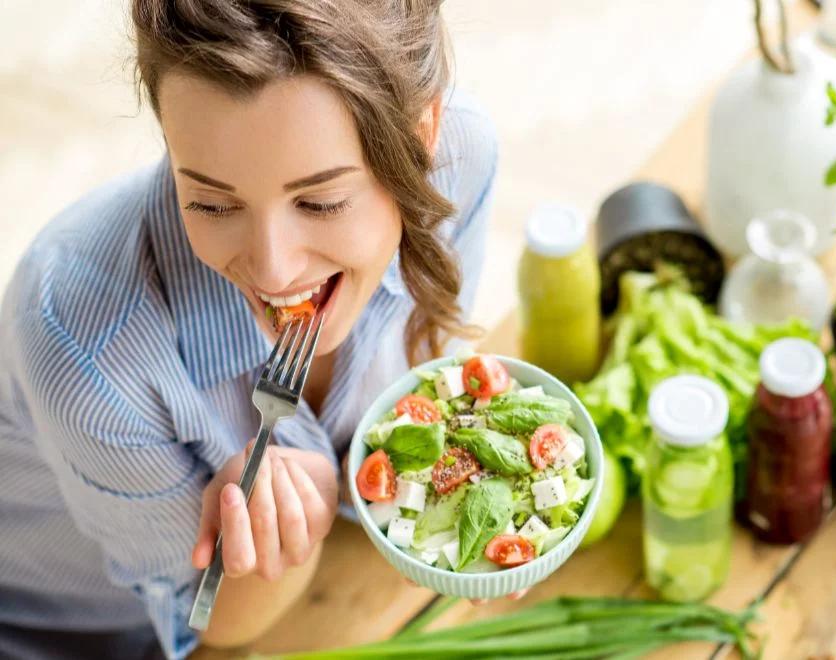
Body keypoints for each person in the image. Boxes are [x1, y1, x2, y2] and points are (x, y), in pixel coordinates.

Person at [0, 1, 497, 658]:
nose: (271, 266)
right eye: (211, 201)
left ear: (424, 135)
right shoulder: (80, 340)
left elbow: (431, 387)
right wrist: (279, 534)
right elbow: (211, 626)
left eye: (321, 202)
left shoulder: (461, 160)